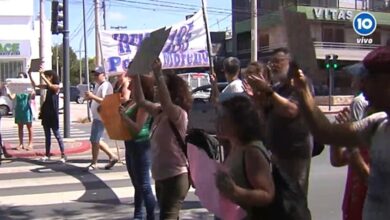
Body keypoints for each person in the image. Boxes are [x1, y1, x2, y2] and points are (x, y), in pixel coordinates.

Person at [291, 46, 390, 220]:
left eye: (369, 79)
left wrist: (355, 158)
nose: (360, 85)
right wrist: (303, 91)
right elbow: (325, 133)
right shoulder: (378, 124)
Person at [246, 48, 313, 195]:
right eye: (271, 62)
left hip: (294, 152)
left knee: (294, 200)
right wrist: (257, 97)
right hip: (276, 153)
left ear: (290, 63)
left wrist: (268, 91)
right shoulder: (277, 88)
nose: (273, 65)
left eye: (277, 61)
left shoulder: (300, 86)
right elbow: (264, 113)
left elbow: (291, 110)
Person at [132, 59, 192, 220]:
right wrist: (136, 74)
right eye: (157, 85)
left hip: (176, 177)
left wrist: (158, 73)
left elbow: (166, 103)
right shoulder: (159, 112)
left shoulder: (178, 114)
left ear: (171, 91)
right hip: (161, 177)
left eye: (161, 85)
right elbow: (140, 100)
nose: (156, 89)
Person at [215, 95, 275, 219]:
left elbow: (267, 194)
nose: (218, 121)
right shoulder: (235, 146)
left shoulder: (252, 151)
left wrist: (235, 191)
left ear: (239, 122)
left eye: (224, 117)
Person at [330, 70, 371, 220]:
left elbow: (372, 181)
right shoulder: (370, 123)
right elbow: (338, 160)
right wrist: (338, 134)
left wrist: (351, 144)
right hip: (353, 207)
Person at [120, 75, 156, 220]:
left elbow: (138, 128)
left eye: (132, 85)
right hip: (130, 144)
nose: (128, 88)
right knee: (137, 184)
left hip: (140, 144)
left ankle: (150, 216)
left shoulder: (144, 105)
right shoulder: (133, 103)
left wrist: (124, 117)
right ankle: (138, 215)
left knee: (144, 185)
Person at [85, 67, 118, 171]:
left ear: (103, 74)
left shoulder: (105, 85)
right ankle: (112, 156)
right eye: (94, 74)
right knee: (95, 139)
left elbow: (105, 101)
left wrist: (92, 96)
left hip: (102, 116)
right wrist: (90, 96)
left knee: (95, 140)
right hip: (98, 116)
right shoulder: (98, 86)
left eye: (97, 74)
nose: (95, 76)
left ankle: (94, 162)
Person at [29, 70, 66, 162]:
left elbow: (52, 86)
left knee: (57, 135)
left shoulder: (56, 86)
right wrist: (30, 75)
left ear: (51, 77)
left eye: (47, 76)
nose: (45, 78)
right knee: (47, 136)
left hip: (53, 115)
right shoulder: (48, 87)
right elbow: (36, 85)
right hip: (46, 114)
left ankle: (63, 155)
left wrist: (43, 77)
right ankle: (47, 154)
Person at [6, 72, 35, 151]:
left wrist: (32, 92)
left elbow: (32, 97)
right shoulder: (16, 89)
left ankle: (30, 143)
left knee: (29, 127)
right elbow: (12, 97)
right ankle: (21, 143)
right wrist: (8, 91)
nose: (20, 79)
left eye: (21, 77)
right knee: (20, 127)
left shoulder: (28, 88)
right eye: (18, 77)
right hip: (19, 109)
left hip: (26, 108)